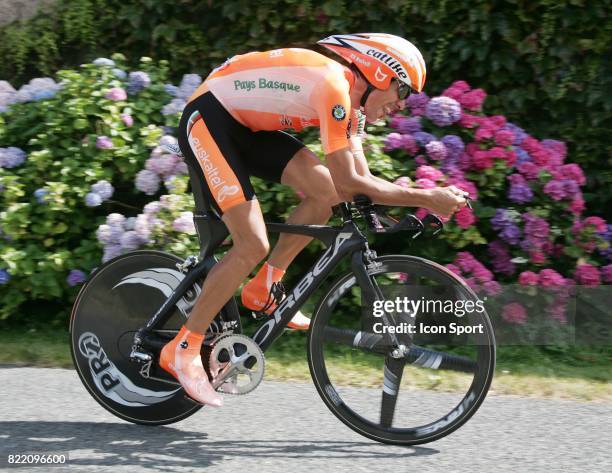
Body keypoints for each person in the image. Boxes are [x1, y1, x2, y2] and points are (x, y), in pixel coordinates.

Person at [159, 33, 468, 407]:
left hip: (245, 128)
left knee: (328, 192)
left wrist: (393, 209)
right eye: (402, 91)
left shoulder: (353, 109)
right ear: (378, 74)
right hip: (208, 119)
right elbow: (352, 179)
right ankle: (183, 347)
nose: (401, 104)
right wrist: (426, 197)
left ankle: (264, 286)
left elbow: (356, 185)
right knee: (251, 242)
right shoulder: (334, 89)